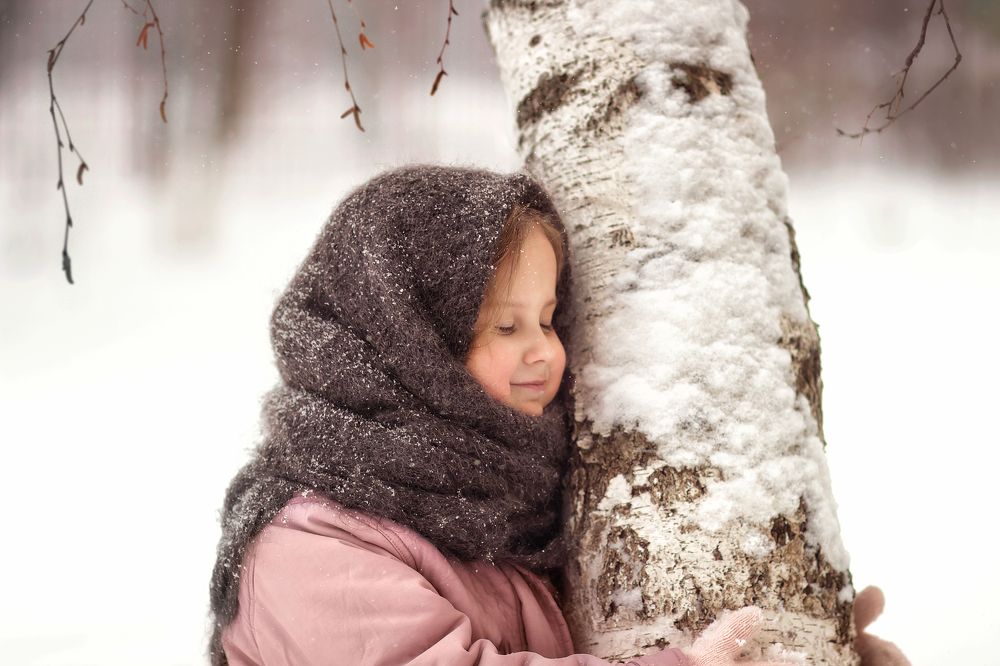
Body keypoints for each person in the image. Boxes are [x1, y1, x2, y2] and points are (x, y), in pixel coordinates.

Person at [207, 165, 907, 666]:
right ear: (408, 343)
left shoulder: (519, 498)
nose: (546, 351)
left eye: (548, 319)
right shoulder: (306, 547)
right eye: (505, 327)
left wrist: (809, 641)